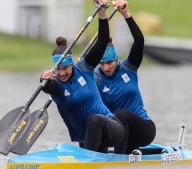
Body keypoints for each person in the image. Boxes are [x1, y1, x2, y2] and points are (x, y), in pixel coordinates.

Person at [40, 0, 125, 154]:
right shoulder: (56, 83)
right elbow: (48, 88)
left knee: (94, 119)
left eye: (65, 68)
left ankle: (87, 159)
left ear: (72, 64)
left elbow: (102, 41)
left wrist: (102, 13)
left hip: (112, 129)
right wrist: (43, 79)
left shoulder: (84, 67)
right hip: (89, 137)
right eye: (58, 70)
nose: (62, 73)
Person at [94, 0, 156, 154]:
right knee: (92, 117)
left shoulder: (128, 68)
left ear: (116, 59)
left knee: (120, 114)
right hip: (118, 133)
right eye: (102, 64)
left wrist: (125, 13)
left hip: (144, 130)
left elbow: (139, 41)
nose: (106, 67)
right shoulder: (96, 77)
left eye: (110, 63)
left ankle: (118, 159)